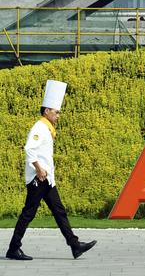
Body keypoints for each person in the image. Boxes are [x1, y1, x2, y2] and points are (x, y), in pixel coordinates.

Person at [6, 80, 97, 261]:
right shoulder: (40, 127)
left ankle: (74, 245)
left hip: (47, 179)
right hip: (38, 179)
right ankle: (13, 249)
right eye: (56, 112)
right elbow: (29, 149)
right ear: (46, 111)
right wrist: (39, 169)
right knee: (29, 213)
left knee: (59, 211)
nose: (58, 115)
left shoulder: (47, 128)